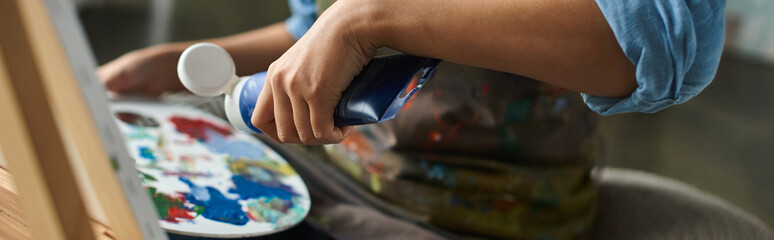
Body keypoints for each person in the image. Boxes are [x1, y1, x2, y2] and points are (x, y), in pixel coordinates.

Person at [99, 0, 726, 239]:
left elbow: (651, 46)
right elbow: (311, 28)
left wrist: (370, 19)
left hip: (469, 213)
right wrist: (171, 67)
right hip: (326, 166)